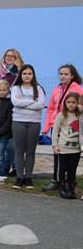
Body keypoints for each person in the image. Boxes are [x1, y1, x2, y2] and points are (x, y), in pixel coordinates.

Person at [41, 64, 82, 192]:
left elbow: (80, 106)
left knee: (68, 158)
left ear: (72, 76)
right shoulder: (56, 89)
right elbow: (51, 108)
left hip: (70, 126)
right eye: (61, 74)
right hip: (56, 124)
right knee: (57, 154)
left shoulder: (78, 89)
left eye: (66, 74)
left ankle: (69, 182)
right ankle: (56, 180)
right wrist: (46, 127)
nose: (63, 76)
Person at [10, 64, 46, 189]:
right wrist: (32, 101)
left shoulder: (38, 88)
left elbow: (41, 105)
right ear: (21, 75)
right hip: (18, 121)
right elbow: (15, 102)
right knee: (19, 150)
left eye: (29, 73)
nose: (27, 76)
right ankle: (20, 177)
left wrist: (23, 103)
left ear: (33, 75)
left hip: (34, 122)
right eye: (24, 73)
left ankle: (28, 177)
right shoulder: (15, 88)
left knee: (30, 151)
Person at [51, 92, 81, 199]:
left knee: (72, 170)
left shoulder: (80, 116)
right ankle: (62, 188)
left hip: (76, 149)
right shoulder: (61, 115)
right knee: (62, 169)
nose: (71, 104)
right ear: (65, 103)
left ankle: (70, 188)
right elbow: (55, 131)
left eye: (74, 102)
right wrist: (55, 145)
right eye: (68, 102)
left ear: (78, 103)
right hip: (63, 149)